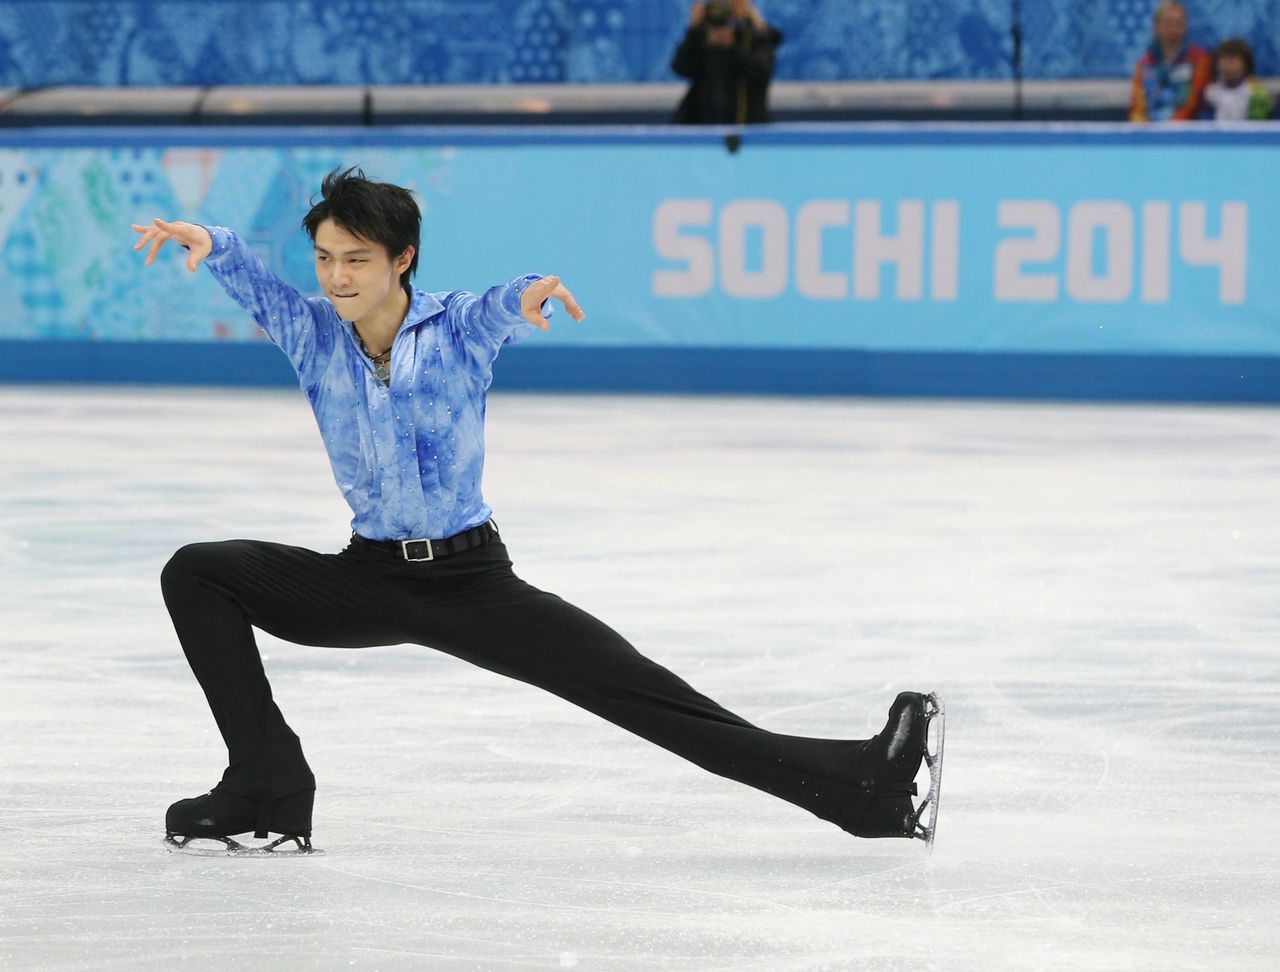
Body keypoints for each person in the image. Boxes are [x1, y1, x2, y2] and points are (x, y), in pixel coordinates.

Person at [131, 167, 944, 856]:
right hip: (368, 577)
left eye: (357, 258)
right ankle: (265, 783)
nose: (337, 276)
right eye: (325, 258)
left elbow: (497, 309)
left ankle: (862, 790)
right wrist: (218, 249)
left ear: (402, 259)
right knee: (200, 572)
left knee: (649, 699)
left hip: (472, 583)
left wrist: (527, 298)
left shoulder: (453, 330)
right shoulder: (315, 334)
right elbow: (265, 293)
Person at [672, 0, 783, 125]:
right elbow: (681, 68)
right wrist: (693, 31)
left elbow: (761, 69)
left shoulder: (755, 36)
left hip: (747, 122)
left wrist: (730, 48)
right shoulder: (700, 36)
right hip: (702, 123)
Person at [1128, 1, 1211, 122]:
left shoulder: (1199, 60)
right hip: (1150, 132)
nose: (1173, 28)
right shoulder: (1144, 63)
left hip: (1186, 132)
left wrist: (1168, 128)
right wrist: (1142, 130)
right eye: (1167, 22)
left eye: (1178, 23)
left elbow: (1193, 103)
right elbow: (1137, 106)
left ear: (1185, 25)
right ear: (1156, 25)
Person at [1203, 37, 1273, 121]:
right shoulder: (1210, 93)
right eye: (1223, 58)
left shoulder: (1257, 94)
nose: (1227, 64)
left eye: (1232, 59)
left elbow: (1260, 128)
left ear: (1245, 63)